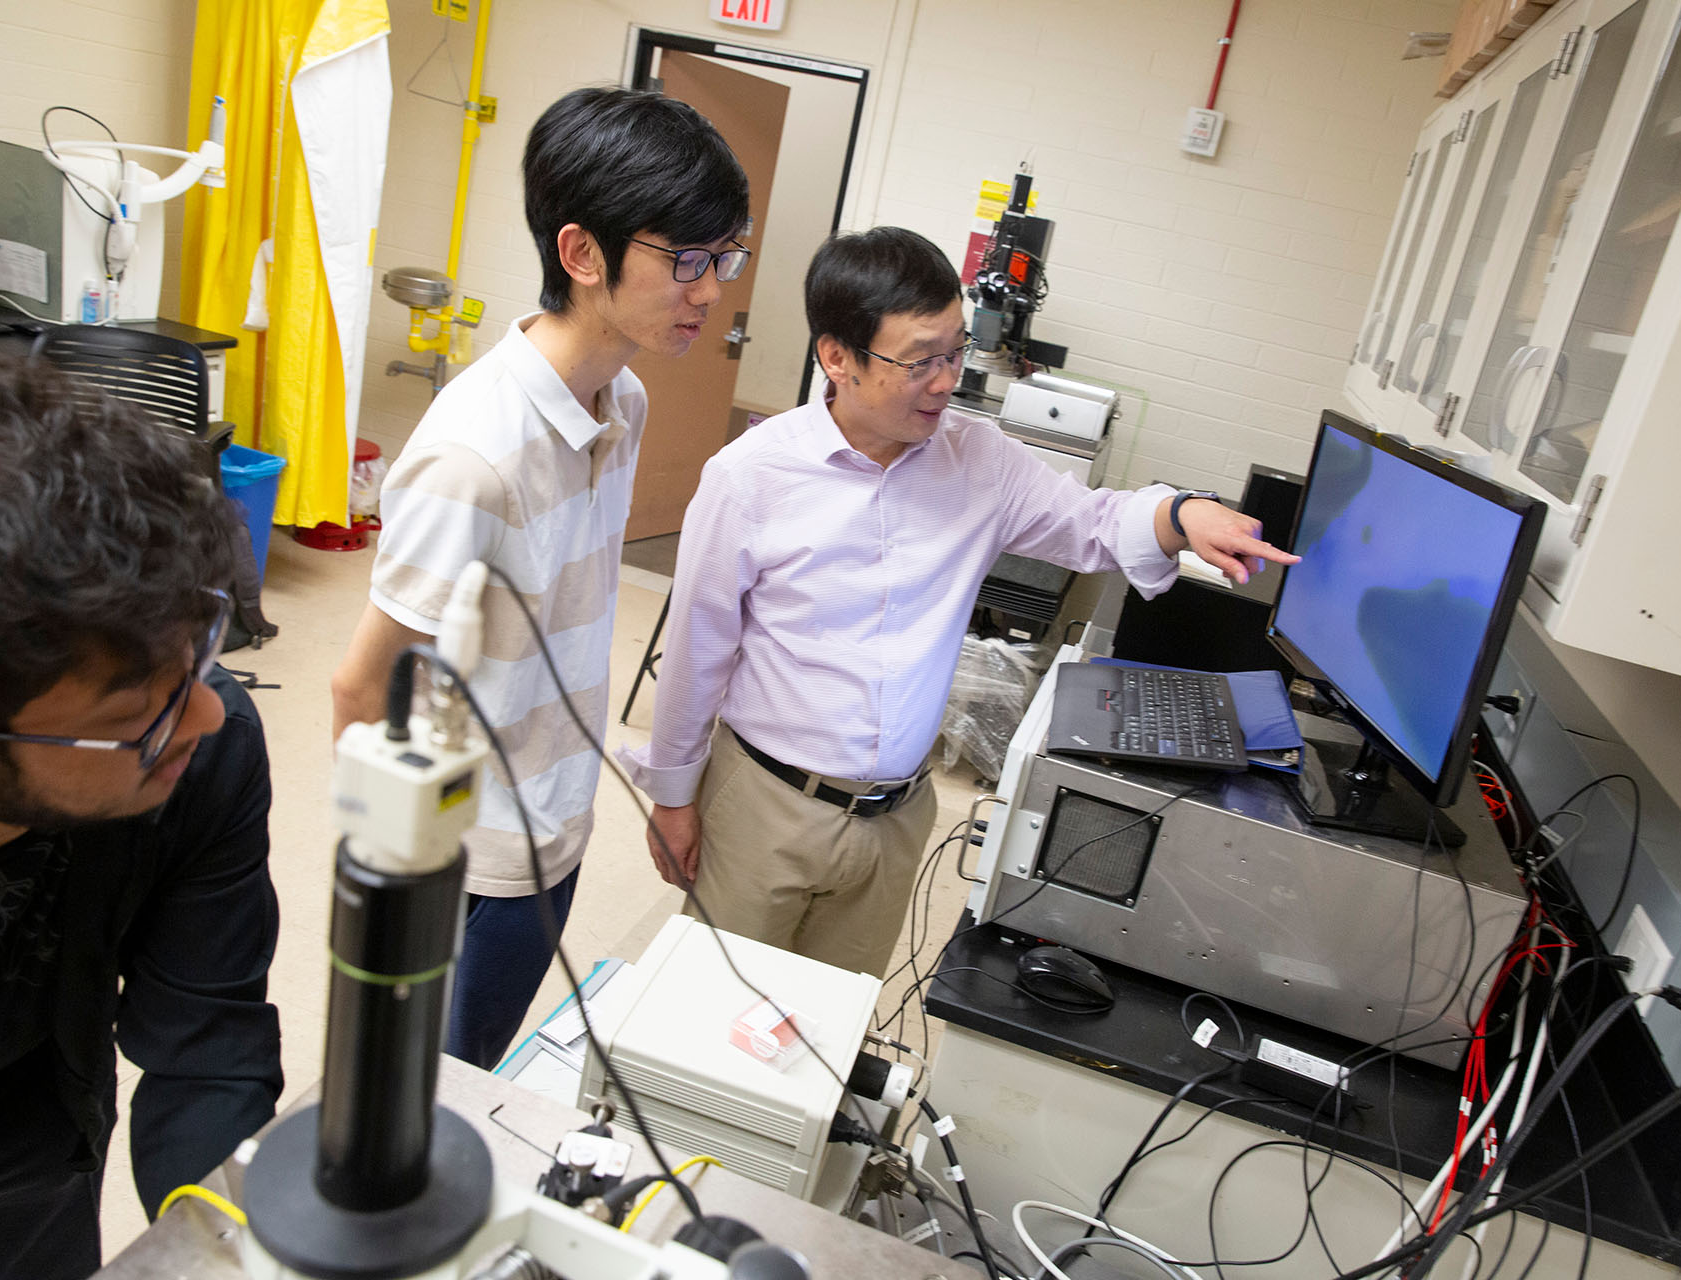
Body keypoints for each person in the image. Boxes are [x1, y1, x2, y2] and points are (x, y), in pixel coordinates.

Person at [618, 227, 1298, 977]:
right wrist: (674, 797)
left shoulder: (979, 461)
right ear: (836, 356)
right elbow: (696, 648)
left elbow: (1094, 522)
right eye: (920, 361)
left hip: (895, 821)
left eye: (956, 351)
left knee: (824, 1034)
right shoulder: (751, 476)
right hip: (766, 807)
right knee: (710, 1025)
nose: (946, 381)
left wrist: (1181, 516)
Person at [330, 86, 751, 1070]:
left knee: (470, 1080)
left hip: (556, 819)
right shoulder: (475, 458)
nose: (710, 290)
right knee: (422, 1096)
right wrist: (387, 897)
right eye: (685, 260)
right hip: (462, 859)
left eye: (722, 259)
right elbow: (359, 685)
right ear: (581, 252)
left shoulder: (626, 398)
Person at [0, 350, 283, 1279]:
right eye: (131, 720)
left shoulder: (207, 745)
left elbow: (207, 1049)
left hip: (30, 1120)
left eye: (196, 656)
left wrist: (246, 1255)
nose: (205, 716)